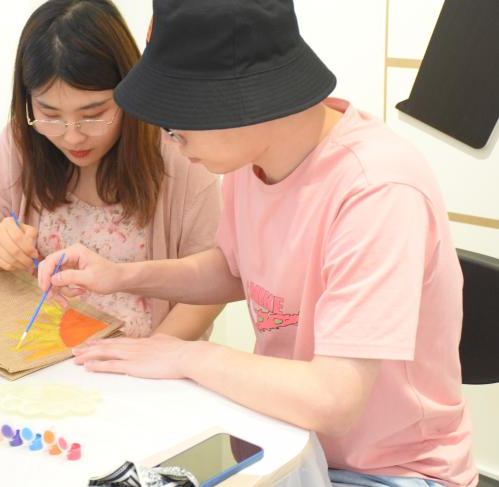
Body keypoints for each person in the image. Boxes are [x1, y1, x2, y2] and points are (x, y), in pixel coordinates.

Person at [37, 1, 478, 485]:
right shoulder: (253, 161)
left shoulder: (377, 190)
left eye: (177, 123)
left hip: (390, 470)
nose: (172, 139)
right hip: (284, 435)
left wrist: (186, 355)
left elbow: (333, 399)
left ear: (242, 98)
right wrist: (119, 275)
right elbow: (233, 269)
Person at [0, 0, 223, 339]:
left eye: (93, 114)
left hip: (146, 358)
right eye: (50, 114)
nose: (72, 136)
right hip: (38, 354)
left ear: (128, 88)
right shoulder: (21, 144)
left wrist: (152, 353)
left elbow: (213, 285)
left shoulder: (180, 153)